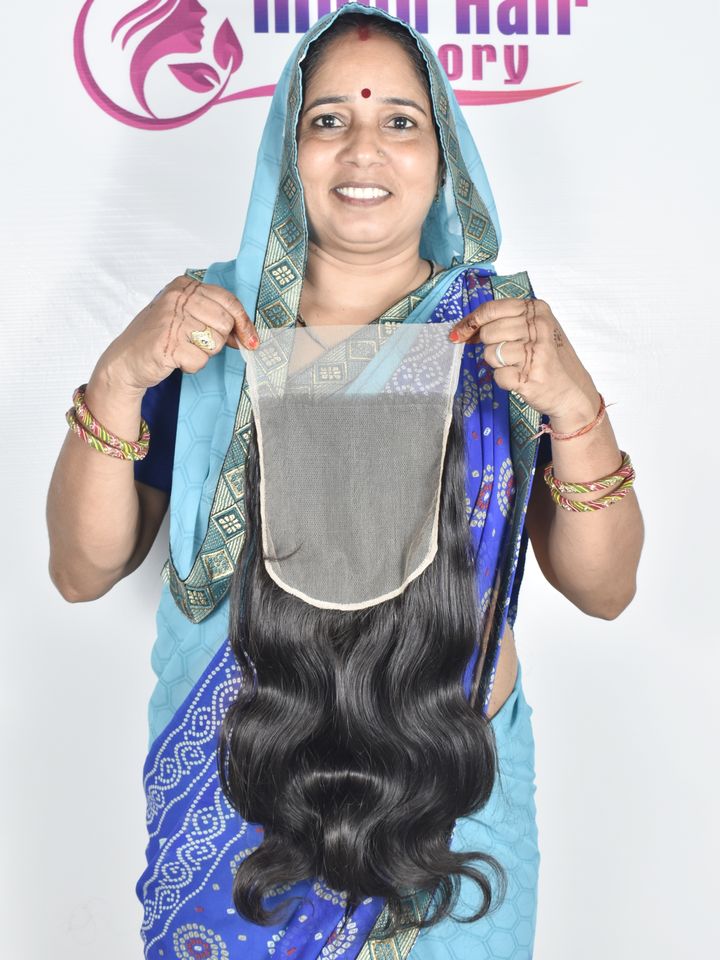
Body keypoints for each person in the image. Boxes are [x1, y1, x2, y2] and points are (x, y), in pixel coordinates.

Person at [46, 5, 644, 958]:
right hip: (237, 807)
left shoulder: (503, 335)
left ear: (443, 155)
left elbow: (605, 589)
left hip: (449, 807)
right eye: (329, 119)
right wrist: (121, 377)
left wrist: (574, 407)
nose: (364, 148)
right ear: (289, 151)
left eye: (400, 120)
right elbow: (81, 572)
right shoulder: (202, 327)